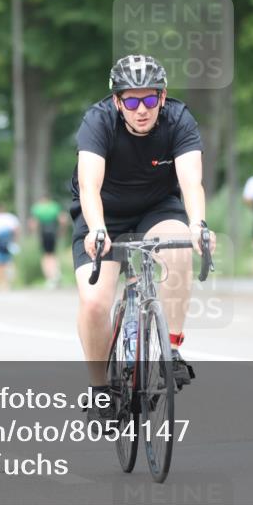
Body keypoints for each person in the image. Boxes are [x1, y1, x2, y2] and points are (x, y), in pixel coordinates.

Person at [69, 54, 215, 421]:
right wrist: (97, 228)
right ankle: (100, 389)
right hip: (104, 214)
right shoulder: (97, 121)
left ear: (162, 98)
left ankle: (172, 348)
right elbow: (89, 186)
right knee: (94, 305)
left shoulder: (179, 120)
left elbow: (191, 182)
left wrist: (198, 224)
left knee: (179, 245)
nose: (141, 109)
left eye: (150, 99)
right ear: (117, 102)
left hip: (157, 208)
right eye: (131, 101)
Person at [29, 194, 67, 288]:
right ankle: (56, 273)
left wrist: (33, 233)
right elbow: (63, 220)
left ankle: (49, 278)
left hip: (43, 233)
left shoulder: (37, 208)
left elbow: (33, 223)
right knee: (53, 254)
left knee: (46, 256)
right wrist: (62, 231)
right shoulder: (54, 206)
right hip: (53, 232)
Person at [0, 204, 21, 290]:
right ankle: (9, 282)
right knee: (9, 262)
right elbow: (17, 230)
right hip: (9, 241)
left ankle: (1, 283)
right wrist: (15, 241)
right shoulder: (10, 217)